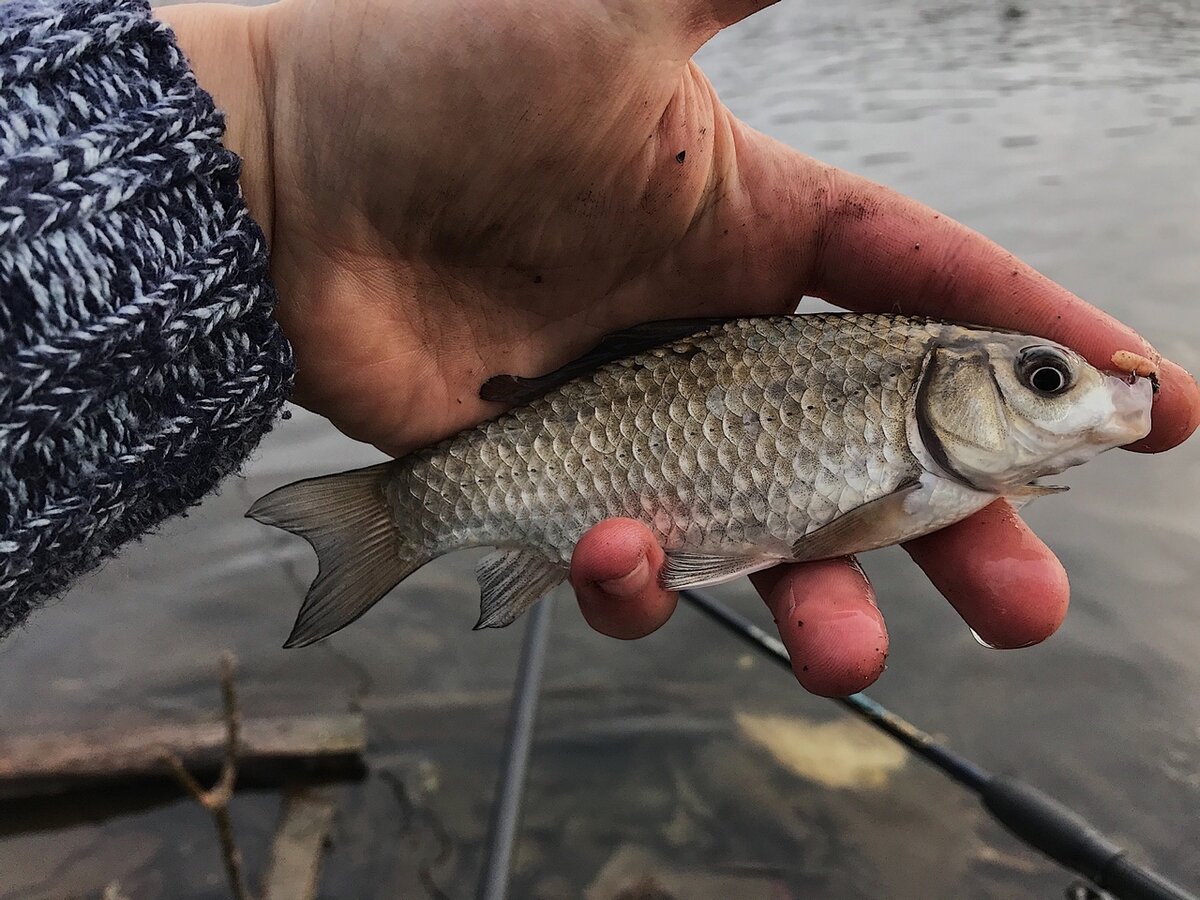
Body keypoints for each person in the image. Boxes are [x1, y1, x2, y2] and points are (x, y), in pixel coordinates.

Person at [1, 0, 1196, 697]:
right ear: (947, 390)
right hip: (565, 423)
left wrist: (271, 147)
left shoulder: (936, 453)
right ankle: (400, 516)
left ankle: (424, 516)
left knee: (632, 561)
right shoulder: (914, 428)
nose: (1079, 397)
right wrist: (273, 140)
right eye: (1046, 380)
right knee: (638, 564)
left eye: (1050, 379)